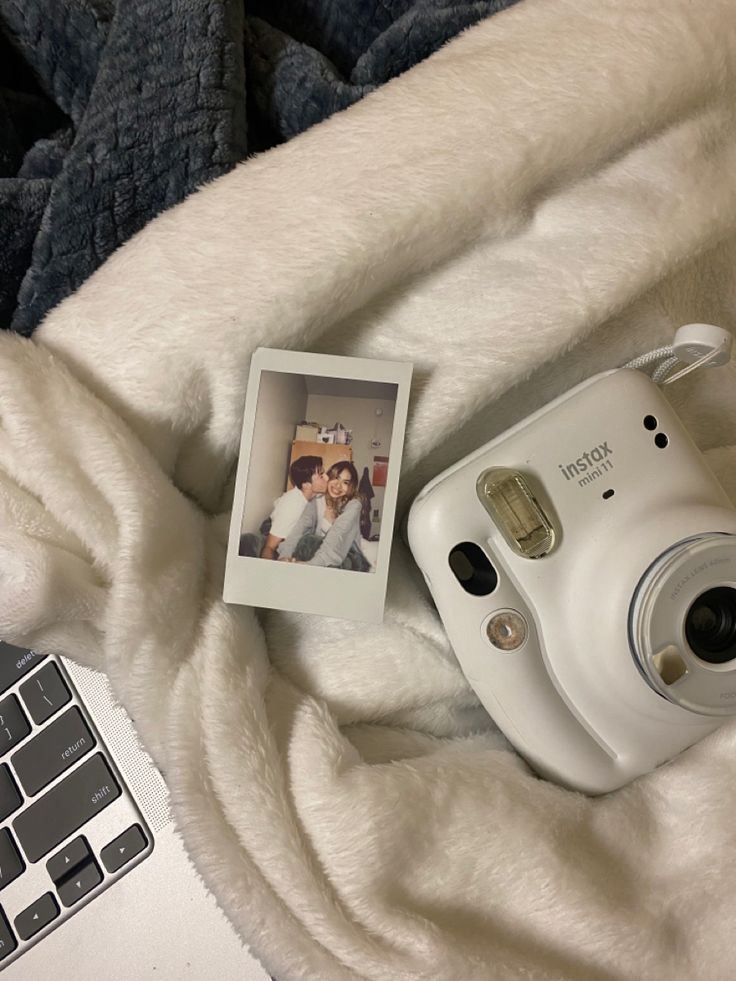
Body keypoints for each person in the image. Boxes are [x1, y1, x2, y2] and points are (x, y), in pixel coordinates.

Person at [278, 461, 371, 571]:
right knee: (307, 540)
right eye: (336, 478)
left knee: (311, 542)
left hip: (349, 556)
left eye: (345, 482)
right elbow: (299, 529)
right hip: (321, 556)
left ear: (351, 487)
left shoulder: (354, 505)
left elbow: (338, 534)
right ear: (329, 478)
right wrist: (284, 557)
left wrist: (311, 565)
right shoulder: (317, 501)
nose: (338, 485)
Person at [239, 455, 327, 558]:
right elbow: (269, 547)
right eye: (321, 476)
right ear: (306, 485)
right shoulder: (292, 506)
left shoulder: (315, 495)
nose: (327, 478)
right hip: (274, 535)